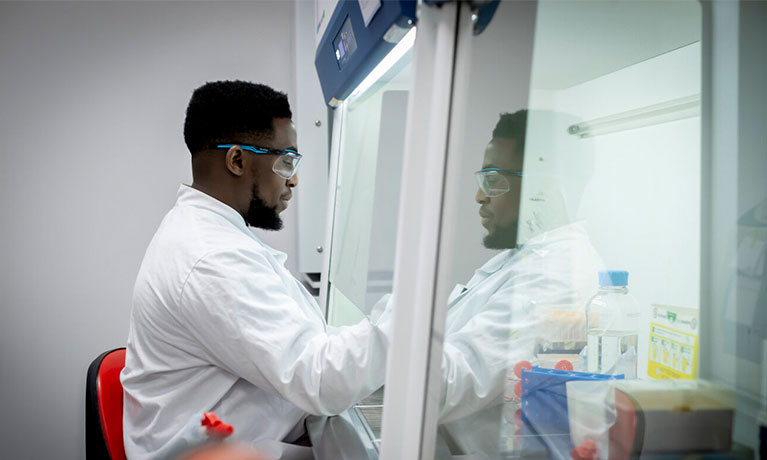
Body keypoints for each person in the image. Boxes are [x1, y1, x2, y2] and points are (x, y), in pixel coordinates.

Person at [121, 81, 391, 460]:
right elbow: (318, 379)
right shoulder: (210, 257)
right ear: (237, 160)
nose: (293, 179)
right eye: (286, 161)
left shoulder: (213, 235)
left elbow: (302, 353)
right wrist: (409, 318)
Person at [437, 110, 603, 456]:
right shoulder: (526, 256)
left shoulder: (556, 278)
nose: (480, 197)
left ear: (544, 189)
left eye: (494, 180)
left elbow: (453, 383)